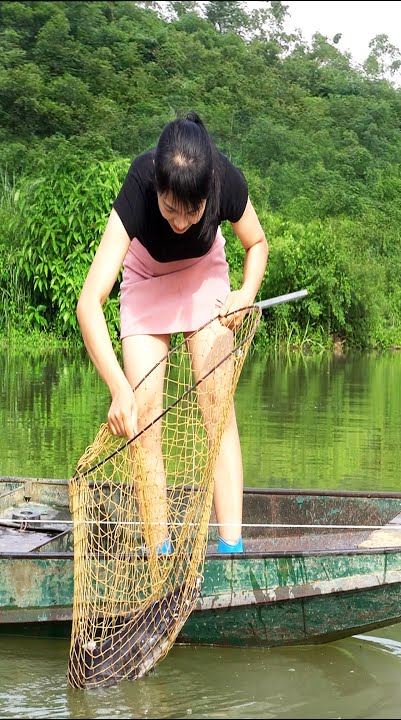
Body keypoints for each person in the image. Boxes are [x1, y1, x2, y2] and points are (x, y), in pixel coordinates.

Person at [76, 111, 268, 555]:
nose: (180, 223)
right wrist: (119, 389)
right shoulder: (141, 183)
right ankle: (160, 551)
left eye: (192, 211)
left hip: (204, 278)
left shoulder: (225, 179)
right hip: (146, 280)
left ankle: (230, 546)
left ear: (209, 194)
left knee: (217, 407)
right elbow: (90, 303)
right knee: (143, 416)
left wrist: (245, 291)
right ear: (157, 189)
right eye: (170, 210)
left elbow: (256, 244)